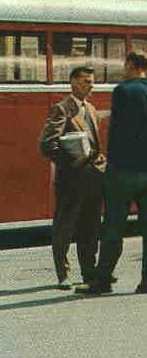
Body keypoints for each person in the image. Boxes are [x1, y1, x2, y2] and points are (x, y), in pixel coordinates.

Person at [77, 50, 147, 295]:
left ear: (130, 65)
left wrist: (112, 163)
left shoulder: (123, 92)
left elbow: (116, 132)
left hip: (123, 171)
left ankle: (103, 278)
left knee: (113, 227)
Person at [38, 65, 107, 289]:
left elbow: (95, 145)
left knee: (90, 227)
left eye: (92, 81)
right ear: (74, 82)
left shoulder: (91, 109)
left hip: (93, 179)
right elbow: (47, 144)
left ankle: (89, 273)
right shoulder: (62, 109)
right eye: (87, 81)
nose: (91, 86)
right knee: (65, 227)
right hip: (71, 179)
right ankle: (63, 274)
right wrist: (70, 160)